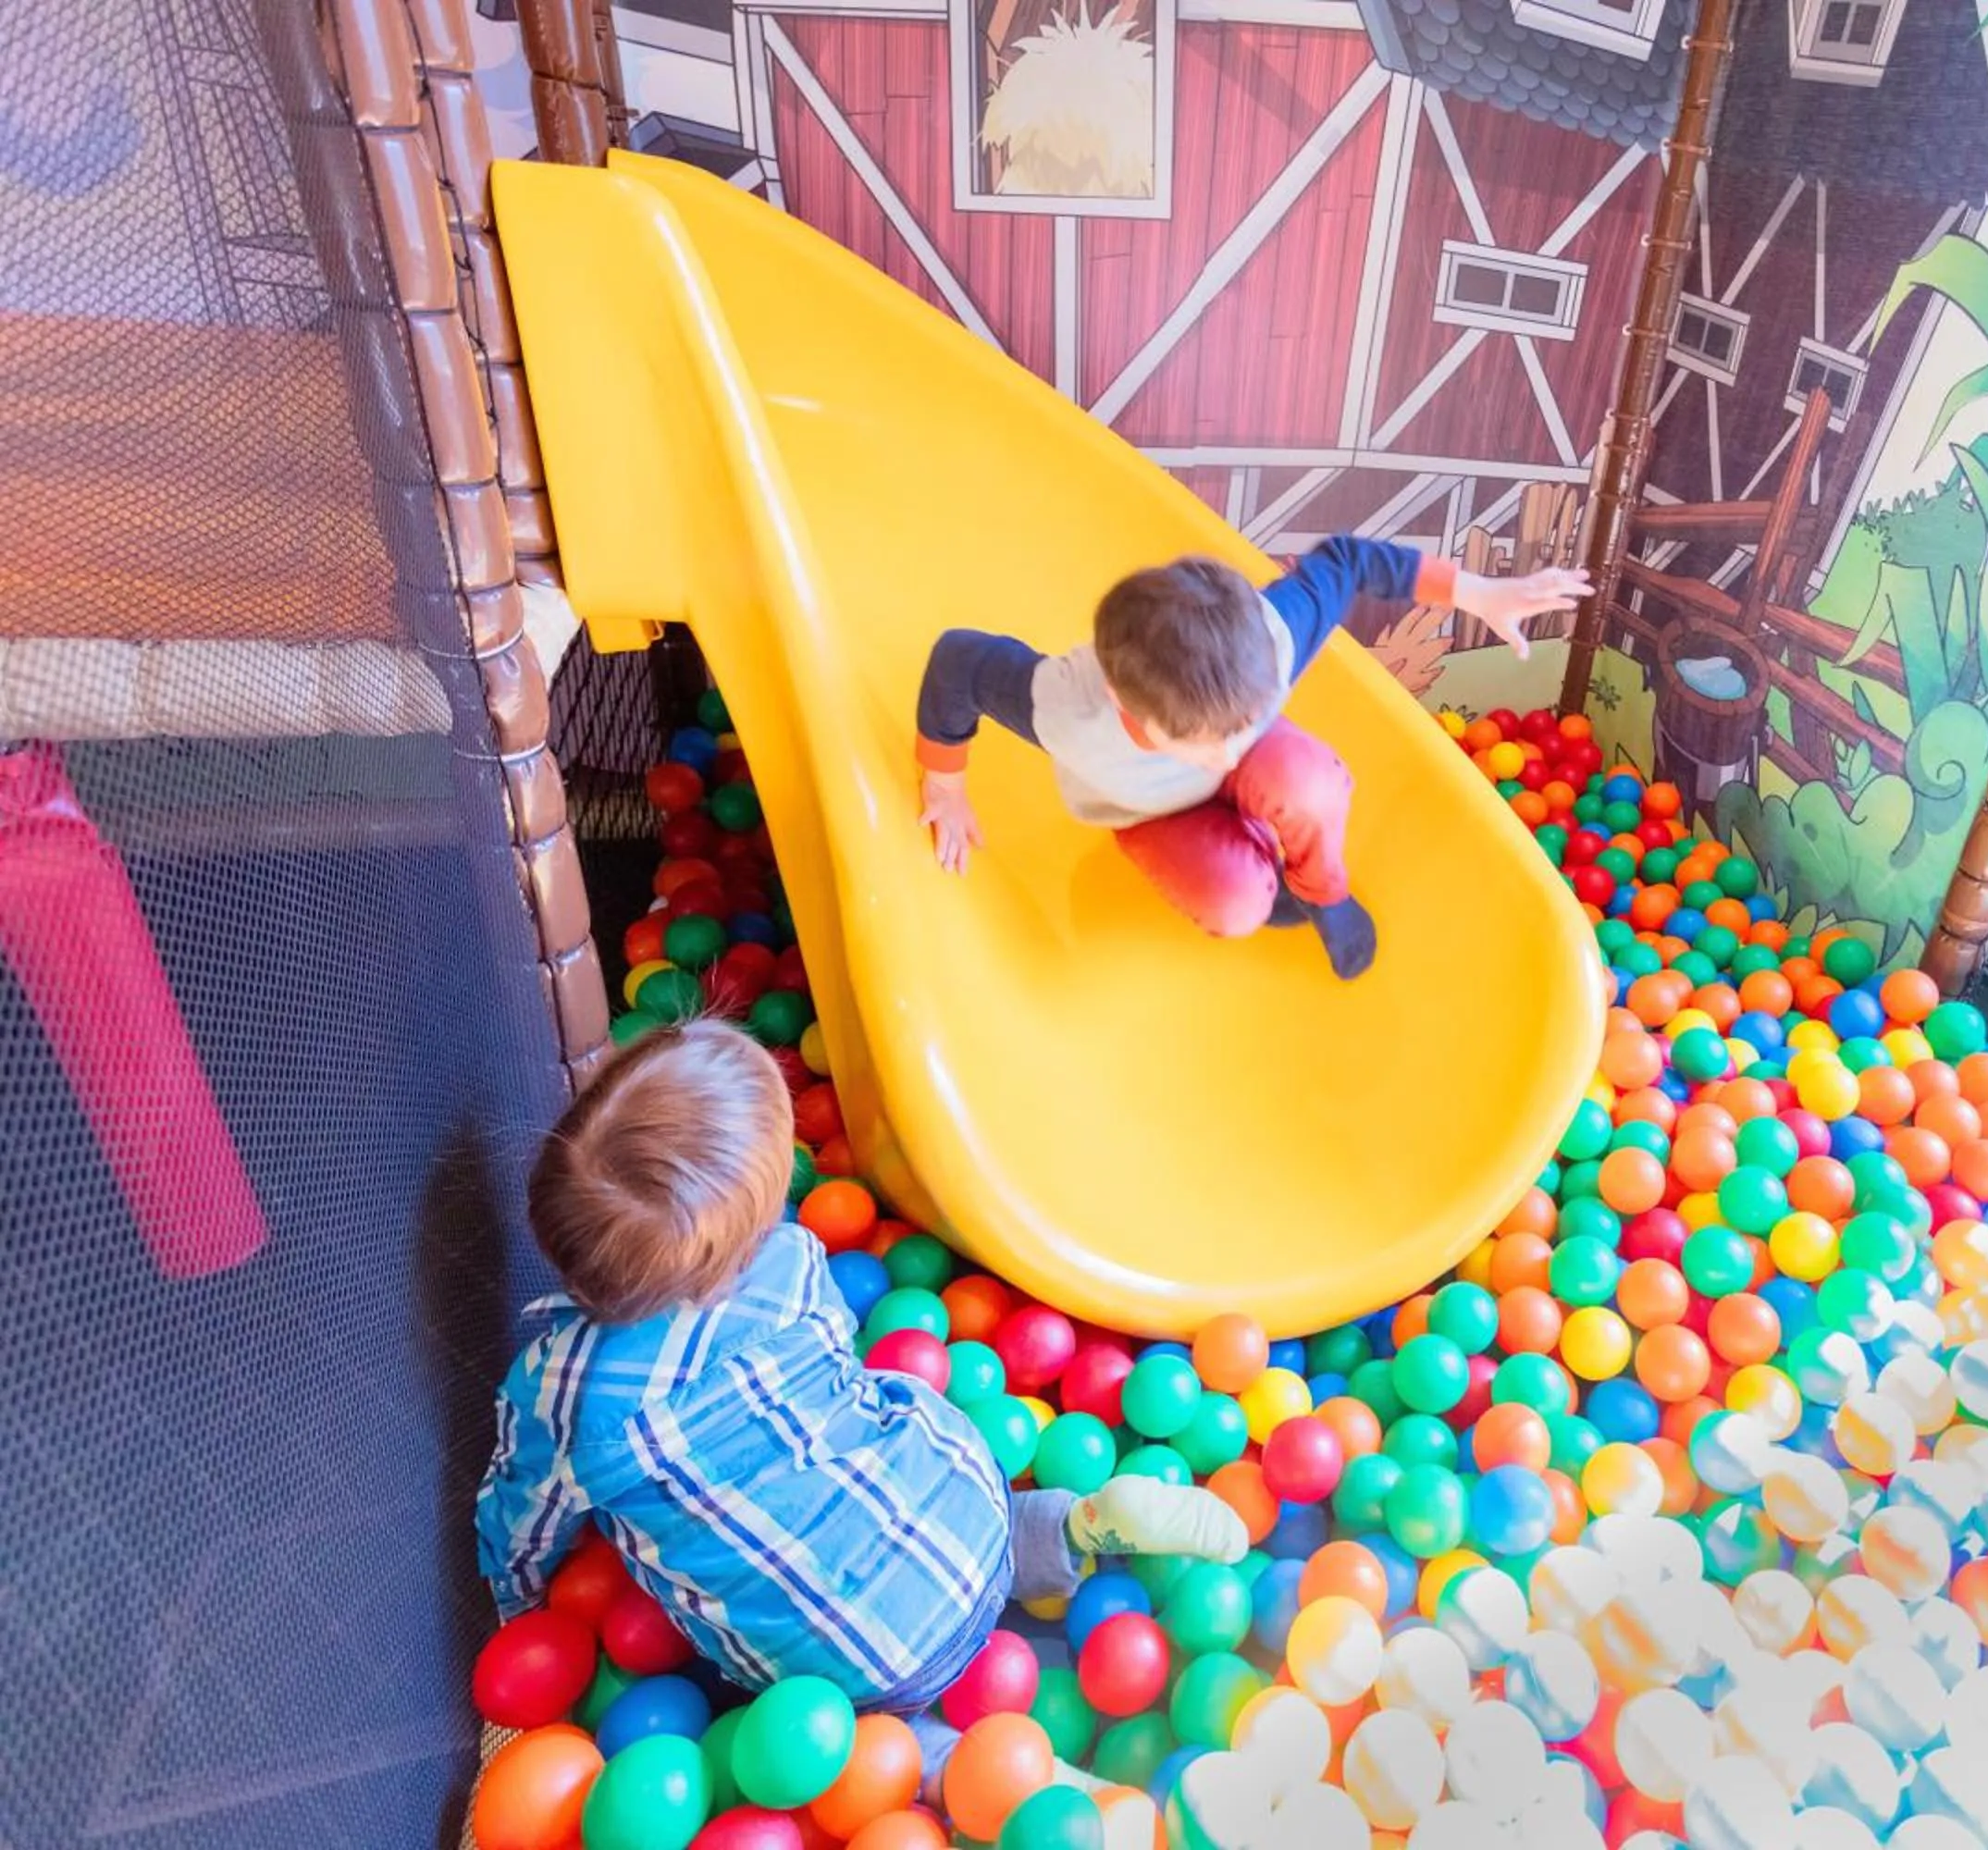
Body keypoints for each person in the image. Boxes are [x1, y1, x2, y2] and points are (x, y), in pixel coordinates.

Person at [474, 1020, 1247, 1798]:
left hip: (860, 1660)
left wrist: (520, 1598)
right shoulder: (790, 1261)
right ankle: (1084, 1522)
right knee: (916, 1459)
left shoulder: (558, 1394)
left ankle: (1011, 1783)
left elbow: (522, 1520)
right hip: (964, 1511)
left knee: (863, 1742)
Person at [914, 537, 1587, 979]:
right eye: (1202, 742)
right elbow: (958, 660)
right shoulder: (1068, 711)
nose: (1222, 756)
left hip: (1264, 771)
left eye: (1239, 725)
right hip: (1147, 812)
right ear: (1122, 699)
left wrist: (1479, 593)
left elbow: (1350, 561)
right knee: (1233, 904)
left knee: (1309, 783)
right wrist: (944, 783)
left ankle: (1321, 890)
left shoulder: (1268, 637)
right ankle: (1262, 890)